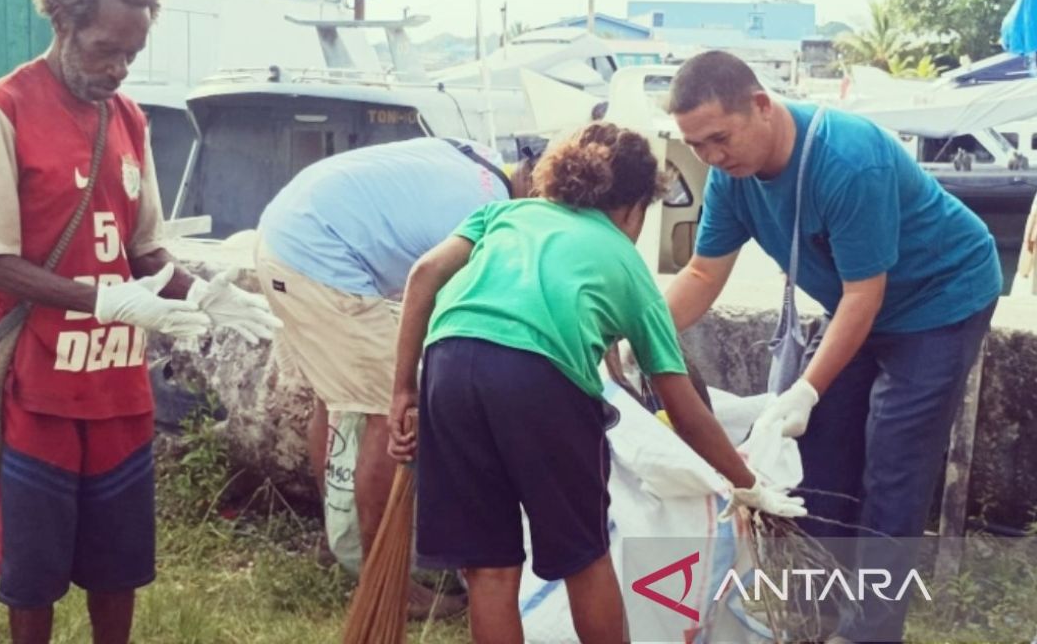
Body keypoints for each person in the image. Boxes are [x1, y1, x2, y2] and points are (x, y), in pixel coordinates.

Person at [0, 0, 278, 644]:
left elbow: (144, 250)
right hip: (41, 385)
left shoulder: (130, 119)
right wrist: (101, 302)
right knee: (33, 569)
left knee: (118, 564)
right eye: (105, 50)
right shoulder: (3, 110)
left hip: (120, 389)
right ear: (64, 23)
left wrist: (208, 293)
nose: (118, 68)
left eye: (131, 54)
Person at [387, 122, 804, 644]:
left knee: (489, 569)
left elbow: (425, 273)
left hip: (447, 366)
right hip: (538, 381)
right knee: (585, 558)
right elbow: (686, 409)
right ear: (633, 208)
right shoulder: (626, 264)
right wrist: (747, 485)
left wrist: (404, 390)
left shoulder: (505, 214)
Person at [662, 50, 1001, 642]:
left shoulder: (846, 160)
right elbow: (700, 276)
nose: (712, 157)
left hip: (940, 300)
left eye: (719, 137)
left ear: (761, 106)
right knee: (817, 462)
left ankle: (870, 631)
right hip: (859, 307)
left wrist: (805, 388)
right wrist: (637, 334)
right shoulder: (731, 178)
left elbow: (863, 297)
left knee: (893, 470)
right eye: (696, 146)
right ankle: (812, 615)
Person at [253, 136, 534, 613]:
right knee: (392, 410)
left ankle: (341, 542)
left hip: (281, 237)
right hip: (321, 259)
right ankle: (385, 581)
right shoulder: (496, 215)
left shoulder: (467, 155)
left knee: (335, 398)